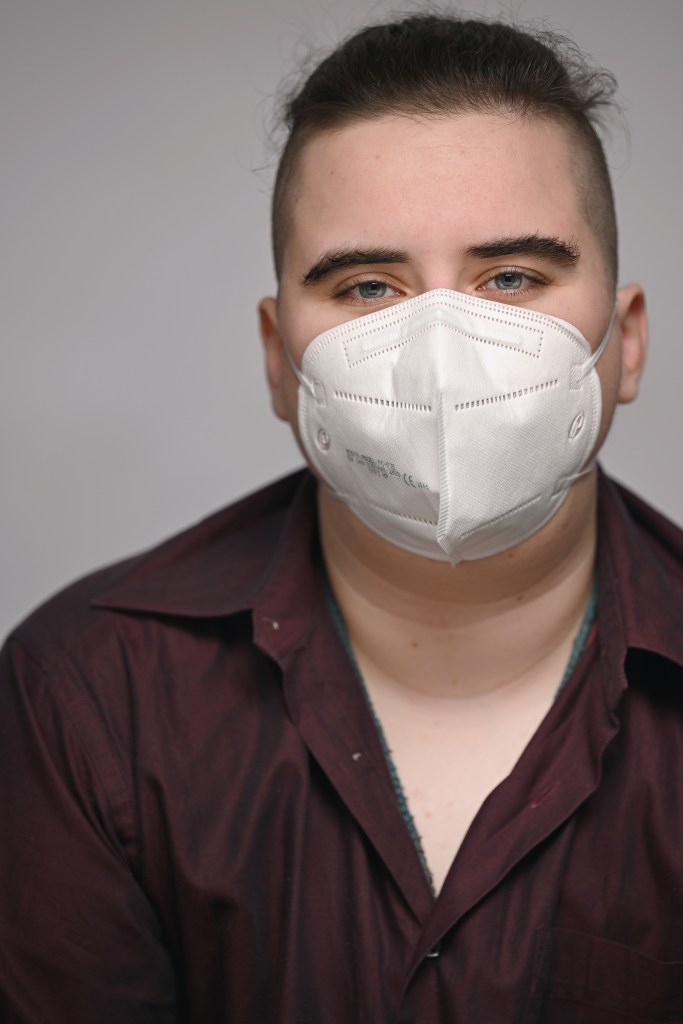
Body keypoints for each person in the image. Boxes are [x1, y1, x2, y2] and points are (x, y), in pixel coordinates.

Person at [2, 10, 682, 1022]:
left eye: (510, 278)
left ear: (621, 342)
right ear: (280, 360)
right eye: (367, 285)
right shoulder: (88, 699)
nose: (437, 347)